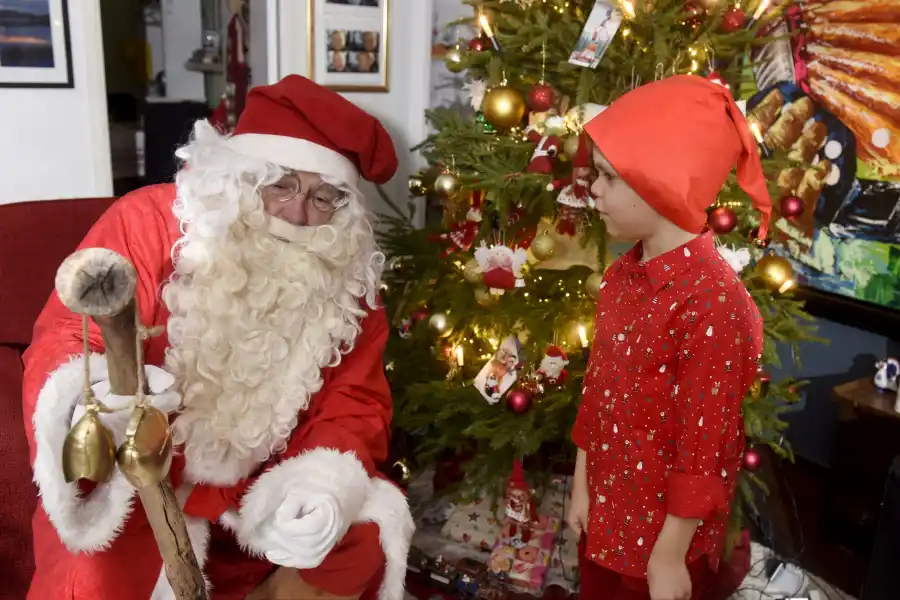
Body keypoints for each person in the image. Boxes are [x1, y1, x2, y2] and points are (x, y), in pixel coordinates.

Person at [23, 75, 413, 600]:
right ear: (240, 175)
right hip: (139, 483)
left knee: (360, 537)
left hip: (256, 485)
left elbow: (356, 399)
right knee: (97, 576)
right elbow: (72, 333)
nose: (298, 215)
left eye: (325, 197)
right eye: (281, 185)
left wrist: (319, 482)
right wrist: (97, 409)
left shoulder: (346, 274)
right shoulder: (148, 221)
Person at [567, 75, 772, 600]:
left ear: (658, 184)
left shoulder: (714, 305)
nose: (592, 189)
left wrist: (668, 556)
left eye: (609, 177)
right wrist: (581, 484)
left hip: (659, 547)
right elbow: (597, 395)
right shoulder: (620, 278)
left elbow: (705, 450)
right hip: (605, 520)